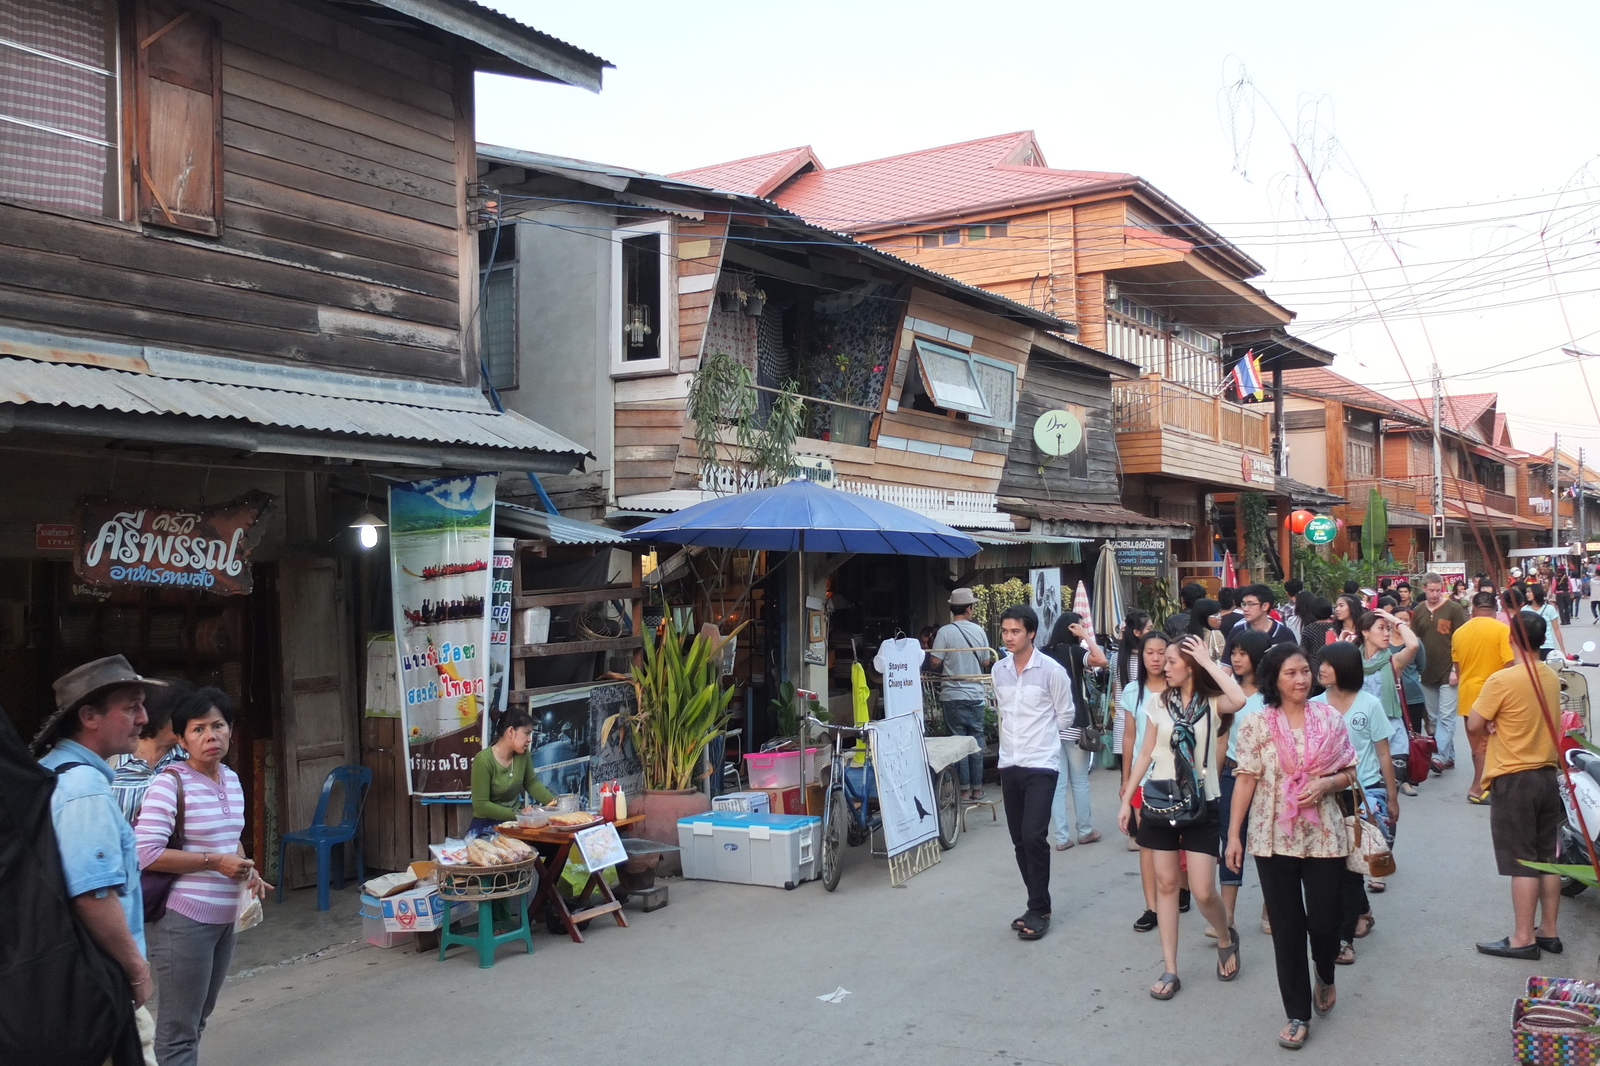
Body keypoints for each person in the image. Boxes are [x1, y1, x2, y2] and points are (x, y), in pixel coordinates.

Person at [1225, 644, 1357, 1050]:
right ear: (1274, 680)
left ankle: (1326, 972)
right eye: (1291, 674)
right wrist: (1233, 834)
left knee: (1323, 920)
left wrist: (1326, 784)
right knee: (1286, 927)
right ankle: (1297, 1013)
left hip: (1325, 835)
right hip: (1271, 835)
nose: (1301, 680)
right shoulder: (1255, 724)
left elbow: (1350, 771)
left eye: (1305, 672)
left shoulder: (1329, 717)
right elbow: (1245, 778)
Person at [33, 655, 165, 1059]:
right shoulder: (84, 789)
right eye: (130, 707)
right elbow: (92, 894)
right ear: (89, 716)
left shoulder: (51, 769)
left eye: (142, 705)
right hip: (98, 983)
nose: (144, 718)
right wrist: (136, 970)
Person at [136, 687, 270, 1066]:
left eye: (218, 726)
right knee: (179, 1029)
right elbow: (145, 854)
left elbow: (232, 843)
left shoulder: (230, 778)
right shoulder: (169, 783)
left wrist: (247, 868)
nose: (211, 736)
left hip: (225, 919)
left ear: (231, 730)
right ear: (180, 738)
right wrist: (215, 863)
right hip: (185, 921)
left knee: (198, 1020)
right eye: (198, 729)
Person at [1117, 636, 1245, 999]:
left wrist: (1207, 661)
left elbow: (1240, 699)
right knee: (1167, 885)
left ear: (1190, 666)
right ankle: (1170, 968)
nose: (1163, 666)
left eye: (1172, 661)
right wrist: (1128, 798)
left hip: (1203, 803)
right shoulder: (1157, 703)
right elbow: (1145, 754)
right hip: (1159, 800)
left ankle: (1225, 936)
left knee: (1204, 890)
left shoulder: (1212, 702)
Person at [1469, 612, 1564, 959]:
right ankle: (1548, 931)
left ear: (1511, 637)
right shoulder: (1551, 676)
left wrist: (1491, 724)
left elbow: (1476, 723)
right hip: (1546, 775)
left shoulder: (1502, 680)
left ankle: (1522, 937)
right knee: (1546, 859)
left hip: (1514, 777)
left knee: (1521, 862)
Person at [992, 605, 1076, 940]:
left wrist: (1042, 741)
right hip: (1008, 763)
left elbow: (1065, 714)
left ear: (1031, 634)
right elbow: (1002, 711)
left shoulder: (1051, 671)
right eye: (1005, 631)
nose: (1009, 637)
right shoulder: (999, 670)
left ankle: (1040, 908)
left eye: (1015, 631)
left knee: (1033, 836)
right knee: (1018, 840)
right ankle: (1035, 903)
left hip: (1041, 763)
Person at [1317, 642, 1395, 963]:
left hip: (1364, 796)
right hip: (1326, 796)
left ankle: (1344, 939)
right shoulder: (1314, 706)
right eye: (1319, 663)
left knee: (1349, 870)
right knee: (1337, 867)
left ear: (1345, 668)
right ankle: (1361, 909)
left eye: (1327, 664)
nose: (1320, 668)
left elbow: (1383, 752)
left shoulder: (1370, 704)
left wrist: (1392, 797)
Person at [1219, 629, 1272, 936]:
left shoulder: (1271, 697)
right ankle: (1226, 917)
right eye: (1233, 653)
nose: (1236, 659)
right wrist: (1210, 782)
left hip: (1267, 779)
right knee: (1231, 839)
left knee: (1266, 844)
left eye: (1242, 653)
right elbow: (1221, 739)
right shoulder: (1229, 694)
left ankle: (1270, 908)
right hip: (1232, 773)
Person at [1045, 611, 1107, 849]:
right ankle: (1085, 830)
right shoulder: (1075, 652)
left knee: (1058, 784)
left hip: (1050, 725)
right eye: (1079, 628)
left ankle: (1061, 838)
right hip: (1074, 722)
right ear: (1072, 629)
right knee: (1079, 780)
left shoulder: (1044, 653)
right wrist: (1086, 637)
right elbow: (1101, 659)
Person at [1121, 630, 1171, 923]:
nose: (1155, 657)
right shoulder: (1132, 691)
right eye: (1149, 652)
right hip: (1143, 779)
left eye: (1161, 651)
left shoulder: (1178, 687)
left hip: (1175, 779)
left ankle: (1178, 891)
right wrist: (1125, 780)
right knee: (1148, 842)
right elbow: (1130, 738)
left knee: (1175, 841)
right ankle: (1152, 907)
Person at [930, 588, 997, 800]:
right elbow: (986, 661)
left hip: (952, 695)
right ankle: (978, 788)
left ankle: (964, 790)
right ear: (969, 609)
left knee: (957, 743)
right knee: (976, 742)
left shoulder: (944, 632)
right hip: (975, 694)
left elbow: (934, 662)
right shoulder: (978, 631)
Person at [1454, 591, 1515, 804]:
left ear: (1473, 609)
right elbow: (1509, 664)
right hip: (1493, 695)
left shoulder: (1459, 632)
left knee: (1476, 746)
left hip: (1467, 693)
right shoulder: (1502, 630)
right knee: (1486, 746)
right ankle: (1477, 788)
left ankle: (1484, 785)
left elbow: (1459, 668)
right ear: (1495, 610)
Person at [1357, 608, 1418, 816]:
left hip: (1392, 738)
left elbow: (1413, 644)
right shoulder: (1352, 662)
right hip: (1362, 741)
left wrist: (1393, 619)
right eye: (1381, 628)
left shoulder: (1392, 661)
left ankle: (1384, 842)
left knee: (1383, 801)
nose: (1386, 634)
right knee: (1362, 802)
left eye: (1388, 629)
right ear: (1365, 632)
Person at [111, 678, 189, 823]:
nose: (187, 722)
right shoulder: (112, 759)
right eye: (181, 716)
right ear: (158, 715)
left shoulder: (190, 759)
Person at [1412, 572, 1467, 775]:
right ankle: (1449, 756)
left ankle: (1439, 756)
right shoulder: (1418, 611)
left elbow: (1461, 639)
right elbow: (1415, 640)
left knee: (1446, 716)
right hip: (1426, 671)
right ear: (1424, 589)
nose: (1434, 594)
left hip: (1448, 671)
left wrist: (1456, 668)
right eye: (1430, 590)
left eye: (1438, 590)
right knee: (1434, 719)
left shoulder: (1453, 609)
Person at [469, 708, 557, 831]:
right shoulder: (483, 760)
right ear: (511, 731)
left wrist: (555, 802)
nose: (530, 739)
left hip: (516, 821)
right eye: (526, 733)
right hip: (486, 823)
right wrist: (519, 813)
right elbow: (481, 805)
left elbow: (531, 782)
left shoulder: (522, 754)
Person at [1109, 610, 1153, 766]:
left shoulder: (1117, 658)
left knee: (1126, 781)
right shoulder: (1147, 660)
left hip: (1122, 726)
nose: (1152, 632)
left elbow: (1116, 693)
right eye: (1149, 629)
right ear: (1136, 632)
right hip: (1144, 728)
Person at [1224, 585, 1299, 662]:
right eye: (1244, 604)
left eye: (1251, 604)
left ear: (1265, 606)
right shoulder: (1236, 632)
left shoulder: (1284, 633)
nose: (1245, 609)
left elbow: (1295, 663)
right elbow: (1226, 667)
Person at [1526, 585, 1567, 659]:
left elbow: (1556, 630)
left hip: (1547, 645)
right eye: (1526, 592)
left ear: (1536, 592)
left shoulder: (1549, 609)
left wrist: (1562, 649)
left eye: (1529, 592)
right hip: (1530, 647)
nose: (1527, 594)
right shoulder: (1524, 610)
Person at [1299, 597, 1335, 679]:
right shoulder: (1336, 628)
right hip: (1333, 666)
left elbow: (1303, 651)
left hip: (1314, 668)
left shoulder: (1308, 629)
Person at [1188, 597, 1226, 662]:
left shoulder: (1188, 637)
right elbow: (1224, 660)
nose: (1220, 617)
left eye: (1219, 613)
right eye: (1216, 615)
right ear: (1204, 618)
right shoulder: (1216, 635)